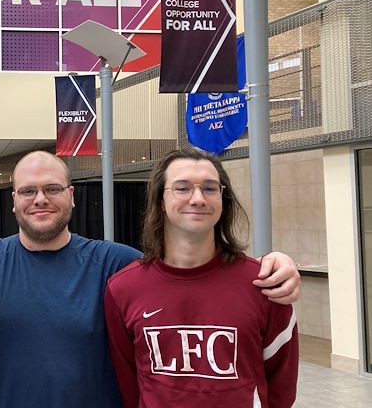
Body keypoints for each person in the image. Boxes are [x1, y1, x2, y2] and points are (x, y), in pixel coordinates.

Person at [0, 151, 301, 408]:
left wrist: (271, 265)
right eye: (28, 191)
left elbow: (187, 269)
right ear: (13, 201)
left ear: (72, 196)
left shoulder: (116, 264)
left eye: (52, 189)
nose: (40, 199)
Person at [104, 147, 298, 407]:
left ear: (222, 198)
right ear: (160, 201)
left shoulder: (265, 284)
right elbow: (128, 385)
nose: (198, 198)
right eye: (182, 188)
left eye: (210, 188)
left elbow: (281, 388)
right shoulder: (123, 288)